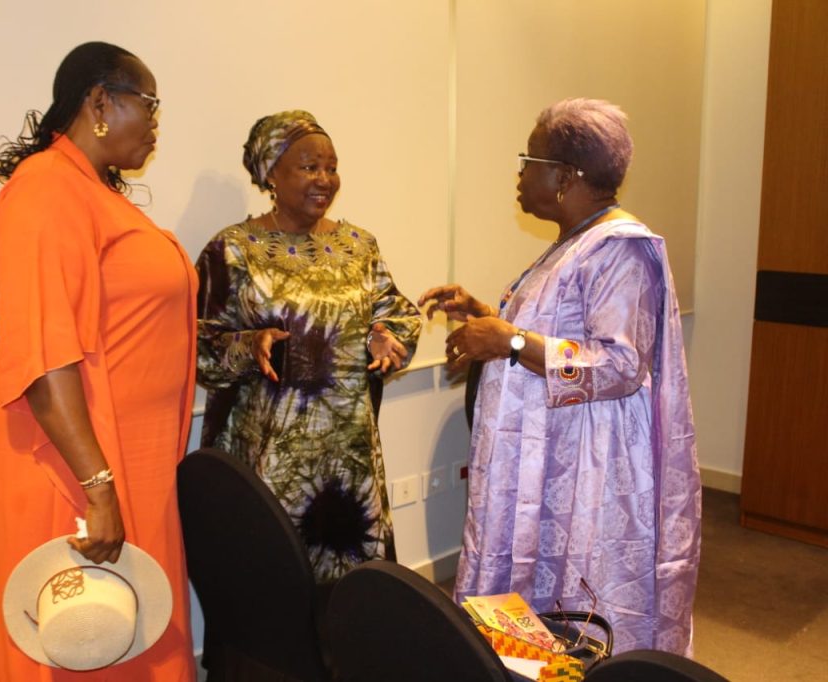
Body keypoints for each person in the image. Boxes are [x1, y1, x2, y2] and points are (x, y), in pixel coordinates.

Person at [420, 98, 700, 655]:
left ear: (566, 176)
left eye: (529, 161)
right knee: (530, 599)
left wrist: (509, 340)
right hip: (543, 455)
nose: (519, 174)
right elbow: (555, 328)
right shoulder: (575, 240)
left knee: (578, 601)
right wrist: (486, 315)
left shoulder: (621, 249)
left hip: (587, 467)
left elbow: (620, 364)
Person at [0, 42, 197, 680]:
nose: (155, 124)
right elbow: (42, 356)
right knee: (83, 636)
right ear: (100, 102)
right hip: (68, 457)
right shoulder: (46, 188)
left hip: (120, 452)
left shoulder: (89, 191)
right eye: (149, 105)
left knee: (126, 631)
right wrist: (97, 488)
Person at [195, 110, 422, 584]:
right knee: (274, 584)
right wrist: (249, 343)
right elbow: (197, 344)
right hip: (271, 460)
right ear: (271, 174)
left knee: (352, 586)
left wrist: (385, 335)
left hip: (350, 460)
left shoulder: (359, 246)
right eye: (308, 167)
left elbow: (398, 312)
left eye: (331, 167)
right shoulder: (233, 250)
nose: (324, 179)